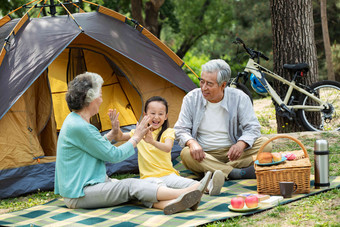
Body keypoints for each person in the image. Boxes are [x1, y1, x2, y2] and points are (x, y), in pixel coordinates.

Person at [54, 72, 212, 215]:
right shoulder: (80, 126)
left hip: (87, 187)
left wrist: (112, 135)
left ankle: (172, 204)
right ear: (91, 99)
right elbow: (114, 155)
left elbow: (93, 146)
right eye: (100, 96)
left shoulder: (75, 121)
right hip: (80, 194)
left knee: (138, 188)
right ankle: (189, 191)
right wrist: (136, 137)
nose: (101, 100)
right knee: (130, 186)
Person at [174, 59, 271, 181]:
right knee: (186, 154)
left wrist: (241, 144)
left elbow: (253, 128)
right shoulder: (191, 98)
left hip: (234, 154)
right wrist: (192, 143)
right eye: (202, 81)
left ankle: (213, 171)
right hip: (204, 155)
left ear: (223, 85)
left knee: (266, 144)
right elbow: (180, 129)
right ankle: (234, 172)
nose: (203, 88)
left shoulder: (239, 98)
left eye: (209, 84)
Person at [113, 96, 224, 196]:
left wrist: (152, 142)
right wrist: (115, 128)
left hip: (168, 174)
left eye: (160, 114)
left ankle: (210, 187)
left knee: (188, 183)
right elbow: (119, 137)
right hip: (149, 178)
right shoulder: (139, 132)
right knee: (158, 187)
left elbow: (167, 148)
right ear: (145, 115)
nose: (156, 117)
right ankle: (176, 196)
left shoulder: (168, 132)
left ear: (166, 117)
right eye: (152, 113)